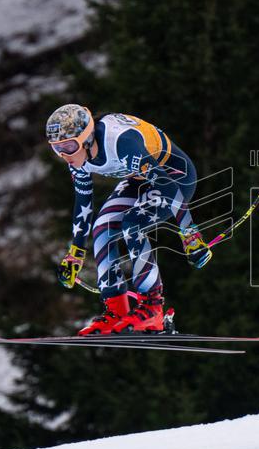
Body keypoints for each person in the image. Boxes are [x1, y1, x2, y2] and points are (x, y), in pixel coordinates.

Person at [46, 104, 211, 335]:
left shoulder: (121, 143)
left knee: (132, 224)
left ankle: (153, 308)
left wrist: (190, 235)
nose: (65, 155)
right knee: (103, 226)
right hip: (138, 179)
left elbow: (167, 186)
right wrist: (75, 253)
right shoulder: (77, 158)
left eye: (69, 146)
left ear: (85, 138)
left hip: (174, 178)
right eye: (57, 149)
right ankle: (116, 311)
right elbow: (83, 203)